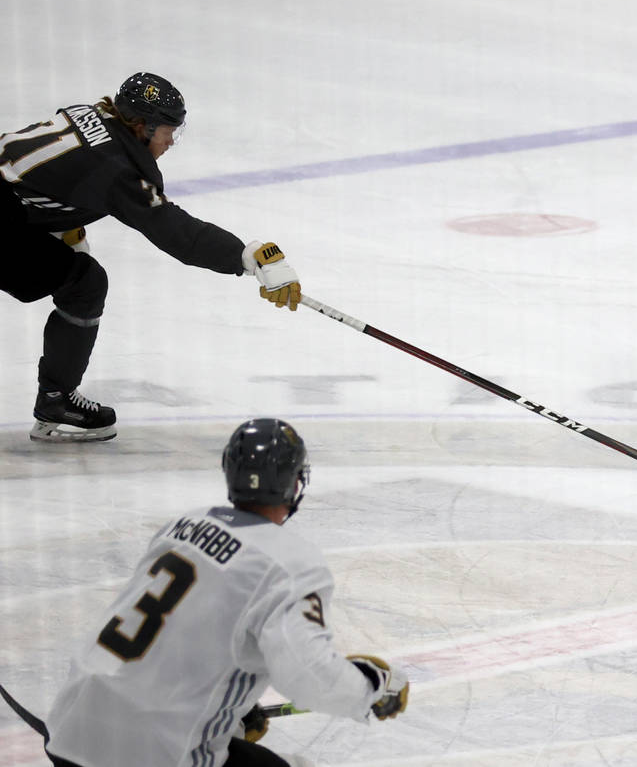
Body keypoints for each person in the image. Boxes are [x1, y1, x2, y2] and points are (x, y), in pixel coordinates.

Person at [39, 418, 408, 767]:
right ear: (295, 483)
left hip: (71, 726)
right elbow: (309, 676)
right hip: (154, 751)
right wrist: (372, 687)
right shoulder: (290, 564)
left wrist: (235, 715)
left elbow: (172, 636)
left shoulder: (182, 526)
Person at [0, 72, 300, 442]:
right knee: (85, 284)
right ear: (142, 126)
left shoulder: (88, 115)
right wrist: (246, 255)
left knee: (79, 277)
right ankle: (56, 401)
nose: (171, 141)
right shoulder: (117, 170)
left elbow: (29, 170)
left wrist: (60, 225)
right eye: (167, 131)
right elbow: (176, 234)